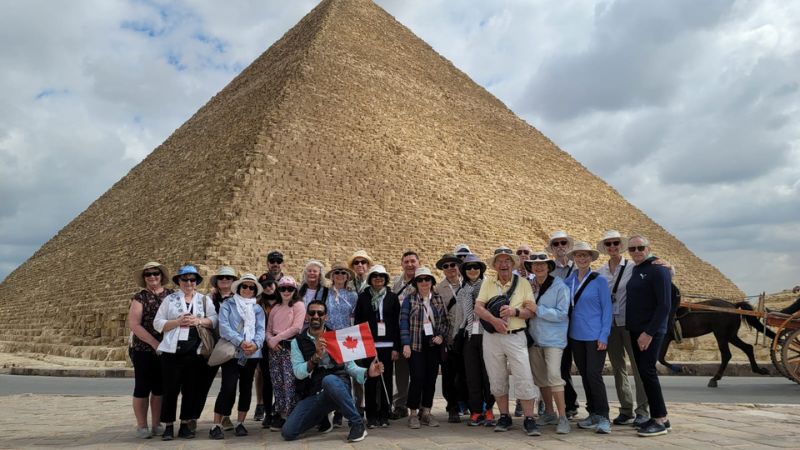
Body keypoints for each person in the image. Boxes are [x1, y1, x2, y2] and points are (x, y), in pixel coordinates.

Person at [281, 300, 385, 442]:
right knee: (288, 432)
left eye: (320, 313)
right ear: (306, 316)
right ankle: (323, 418)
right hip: (316, 393)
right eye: (312, 313)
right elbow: (299, 373)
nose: (316, 316)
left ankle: (357, 424)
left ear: (326, 317)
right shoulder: (297, 342)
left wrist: (368, 372)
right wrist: (315, 357)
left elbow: (350, 367)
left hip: (338, 385)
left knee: (329, 380)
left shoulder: (336, 337)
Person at [473, 247, 540, 436]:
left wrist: (515, 312)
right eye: (499, 261)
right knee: (496, 377)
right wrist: (494, 321)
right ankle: (504, 415)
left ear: (513, 264)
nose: (503, 264)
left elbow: (531, 311)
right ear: (494, 265)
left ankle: (529, 418)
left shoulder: (524, 284)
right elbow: (478, 308)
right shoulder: (488, 283)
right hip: (493, 338)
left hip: (516, 336)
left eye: (507, 261)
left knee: (524, 376)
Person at [153, 265, 218, 440]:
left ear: (196, 282)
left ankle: (185, 425)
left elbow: (213, 319)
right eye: (185, 279)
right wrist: (177, 321)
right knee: (170, 390)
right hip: (171, 352)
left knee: (191, 390)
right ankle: (168, 426)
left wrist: (198, 320)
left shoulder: (204, 300)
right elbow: (157, 323)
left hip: (195, 353)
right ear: (179, 282)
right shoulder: (170, 300)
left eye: (192, 279)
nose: (189, 283)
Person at [596, 230, 650, 426]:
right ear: (605, 247)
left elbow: (660, 271)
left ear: (621, 245)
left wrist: (667, 264)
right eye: (608, 244)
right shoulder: (600, 272)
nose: (612, 247)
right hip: (610, 325)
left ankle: (643, 410)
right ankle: (626, 409)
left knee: (638, 368)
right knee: (618, 369)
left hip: (630, 323)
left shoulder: (632, 266)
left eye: (615, 243)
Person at [626, 235, 673, 437]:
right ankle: (659, 417)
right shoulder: (637, 269)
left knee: (648, 372)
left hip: (650, 331)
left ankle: (660, 419)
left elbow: (665, 305)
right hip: (637, 330)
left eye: (640, 247)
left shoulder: (658, 268)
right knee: (645, 373)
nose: (636, 251)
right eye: (632, 248)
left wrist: (649, 332)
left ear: (649, 247)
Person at [209, 274, 266, 439]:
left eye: (251, 287)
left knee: (246, 388)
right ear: (239, 288)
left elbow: (261, 329)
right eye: (244, 286)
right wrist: (241, 342)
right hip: (233, 352)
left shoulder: (257, 308)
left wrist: (255, 344)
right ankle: (216, 424)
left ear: (255, 290)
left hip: (252, 353)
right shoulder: (228, 304)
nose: (247, 290)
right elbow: (224, 328)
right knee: (228, 387)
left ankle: (240, 423)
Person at [564, 242, 612, 434]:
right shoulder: (569, 281)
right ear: (573, 258)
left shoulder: (599, 280)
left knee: (594, 374)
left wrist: (604, 335)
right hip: (576, 335)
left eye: (585, 255)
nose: (582, 259)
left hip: (595, 335)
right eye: (578, 255)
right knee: (585, 375)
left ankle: (604, 416)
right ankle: (593, 413)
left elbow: (607, 309)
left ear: (591, 258)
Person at [523, 253, 571, 434]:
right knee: (541, 379)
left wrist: (538, 309)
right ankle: (549, 412)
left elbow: (562, 314)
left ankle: (563, 417)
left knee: (553, 376)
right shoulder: (529, 287)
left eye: (542, 264)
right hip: (534, 339)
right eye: (534, 265)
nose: (539, 267)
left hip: (553, 340)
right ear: (530, 268)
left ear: (549, 267)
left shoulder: (560, 286)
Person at [400, 267, 450, 429]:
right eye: (420, 280)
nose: (424, 283)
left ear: (431, 282)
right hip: (415, 343)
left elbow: (444, 321)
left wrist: (441, 336)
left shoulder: (437, 298)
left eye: (427, 279)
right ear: (416, 283)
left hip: (433, 343)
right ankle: (413, 413)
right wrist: (405, 344)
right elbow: (404, 323)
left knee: (431, 378)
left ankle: (426, 411)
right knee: (417, 378)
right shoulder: (410, 299)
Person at [128, 261, 172, 439]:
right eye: (148, 274)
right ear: (144, 278)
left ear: (161, 276)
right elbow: (134, 325)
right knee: (142, 387)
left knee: (160, 388)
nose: (152, 277)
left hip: (167, 348)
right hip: (143, 349)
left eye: (156, 273)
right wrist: (154, 343)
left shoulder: (172, 295)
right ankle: (142, 425)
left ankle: (156, 423)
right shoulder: (140, 297)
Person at [353, 264, 401, 428]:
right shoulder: (363, 297)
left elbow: (396, 323)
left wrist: (396, 347)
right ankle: (371, 415)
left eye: (381, 276)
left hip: (388, 345)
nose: (378, 278)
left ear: (386, 279)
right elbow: (359, 321)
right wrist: (361, 345)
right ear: (370, 279)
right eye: (375, 276)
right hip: (369, 344)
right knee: (371, 379)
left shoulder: (392, 297)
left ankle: (385, 414)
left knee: (386, 379)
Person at [196, 266, 238, 432]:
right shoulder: (206, 299)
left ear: (234, 281)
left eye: (229, 277)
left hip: (230, 347)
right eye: (222, 278)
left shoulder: (240, 299)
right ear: (217, 281)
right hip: (210, 347)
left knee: (230, 385)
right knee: (201, 385)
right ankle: (192, 417)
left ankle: (225, 416)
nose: (225, 280)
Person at [456, 254, 495, 427]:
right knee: (472, 375)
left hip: (486, 334)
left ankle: (489, 409)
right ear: (464, 271)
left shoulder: (489, 287)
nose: (473, 270)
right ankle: (476, 410)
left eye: (476, 267)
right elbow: (460, 317)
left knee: (488, 376)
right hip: (470, 336)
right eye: (469, 267)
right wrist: (456, 335)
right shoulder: (462, 291)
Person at [545, 230, 580, 417]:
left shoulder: (581, 265)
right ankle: (570, 404)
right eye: (556, 244)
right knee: (562, 366)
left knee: (587, 368)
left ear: (569, 245)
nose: (560, 247)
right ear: (551, 248)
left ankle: (597, 411)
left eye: (563, 243)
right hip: (560, 324)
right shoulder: (549, 271)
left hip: (581, 322)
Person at [265, 275, 306, 431]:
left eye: (290, 288)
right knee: (278, 382)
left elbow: (297, 328)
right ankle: (281, 414)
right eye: (283, 288)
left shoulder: (299, 305)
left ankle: (291, 415)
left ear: (294, 290)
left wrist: (276, 339)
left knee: (290, 382)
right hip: (275, 350)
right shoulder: (275, 307)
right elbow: (268, 329)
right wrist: (270, 341)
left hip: (289, 348)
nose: (286, 291)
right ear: (279, 290)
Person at [323, 263, 359, 426]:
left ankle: (343, 410)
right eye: (336, 273)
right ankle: (333, 408)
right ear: (332, 276)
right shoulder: (325, 293)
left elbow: (356, 316)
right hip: (330, 337)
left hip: (347, 337)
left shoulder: (353, 295)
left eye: (343, 273)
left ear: (347, 277)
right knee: (332, 374)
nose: (339, 275)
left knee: (347, 374)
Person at [435, 253, 466, 423]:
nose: (450, 269)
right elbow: (438, 316)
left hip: (466, 336)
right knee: (448, 375)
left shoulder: (468, 285)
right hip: (449, 338)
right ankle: (452, 406)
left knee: (465, 374)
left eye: (453, 265)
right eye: (445, 266)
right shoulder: (439, 289)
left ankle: (465, 403)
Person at [390, 250, 420, 419]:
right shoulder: (396, 282)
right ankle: (400, 404)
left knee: (418, 370)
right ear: (402, 264)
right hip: (400, 332)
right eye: (406, 261)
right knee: (401, 371)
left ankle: (420, 404)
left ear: (418, 263)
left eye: (412, 261)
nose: (409, 264)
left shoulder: (425, 280)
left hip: (418, 332)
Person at [256, 274, 279, 428]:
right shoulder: (258, 304)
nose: (268, 287)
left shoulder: (284, 300)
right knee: (268, 380)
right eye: (265, 285)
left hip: (281, 345)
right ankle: (268, 413)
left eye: (270, 284)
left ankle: (279, 411)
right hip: (264, 346)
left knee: (281, 379)